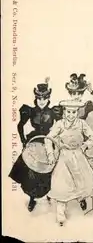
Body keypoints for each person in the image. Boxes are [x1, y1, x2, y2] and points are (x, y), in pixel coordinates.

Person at [9, 78, 62, 212]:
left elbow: (61, 127)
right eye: (39, 98)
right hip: (34, 140)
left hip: (48, 142)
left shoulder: (53, 111)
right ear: (36, 98)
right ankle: (32, 198)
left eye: (44, 98)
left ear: (48, 98)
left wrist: (58, 140)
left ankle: (48, 192)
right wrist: (23, 140)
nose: (42, 101)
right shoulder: (30, 111)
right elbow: (20, 125)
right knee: (31, 170)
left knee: (48, 168)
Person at [44, 99, 93, 226]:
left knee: (81, 180)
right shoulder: (59, 124)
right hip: (64, 157)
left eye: (74, 112)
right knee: (62, 184)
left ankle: (81, 198)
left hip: (78, 156)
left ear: (77, 112)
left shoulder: (81, 124)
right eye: (68, 112)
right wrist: (50, 154)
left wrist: (85, 146)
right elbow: (48, 139)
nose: (71, 115)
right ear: (64, 112)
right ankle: (60, 214)